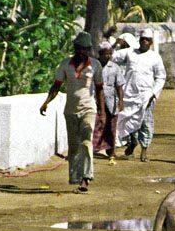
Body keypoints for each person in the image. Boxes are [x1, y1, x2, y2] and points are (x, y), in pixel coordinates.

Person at [40, 31, 104, 192]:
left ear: (88, 50)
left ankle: (86, 178)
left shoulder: (95, 65)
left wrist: (102, 112)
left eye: (84, 49)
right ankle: (75, 177)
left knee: (86, 142)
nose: (81, 52)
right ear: (75, 48)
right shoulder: (65, 64)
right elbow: (56, 86)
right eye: (79, 48)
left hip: (88, 108)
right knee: (74, 146)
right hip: (70, 110)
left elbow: (99, 89)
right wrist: (46, 102)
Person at [116, 29, 166, 162]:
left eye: (147, 39)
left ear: (151, 42)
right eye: (143, 39)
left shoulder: (155, 57)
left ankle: (144, 151)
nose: (144, 41)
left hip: (146, 96)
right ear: (139, 40)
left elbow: (161, 77)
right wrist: (116, 43)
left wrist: (153, 93)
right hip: (129, 95)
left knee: (145, 123)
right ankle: (132, 143)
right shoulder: (131, 53)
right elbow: (113, 56)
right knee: (129, 119)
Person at [92, 40, 123, 164]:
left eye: (110, 54)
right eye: (105, 54)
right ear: (100, 54)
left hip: (111, 101)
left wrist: (121, 101)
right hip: (95, 99)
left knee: (111, 127)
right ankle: (94, 149)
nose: (108, 56)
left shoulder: (115, 67)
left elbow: (119, 86)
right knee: (96, 125)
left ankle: (111, 151)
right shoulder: (94, 66)